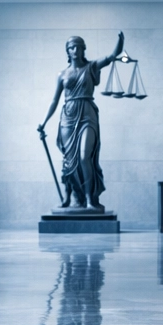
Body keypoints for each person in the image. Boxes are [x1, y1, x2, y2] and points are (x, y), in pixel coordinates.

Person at [37, 32, 124, 211]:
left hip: (87, 114)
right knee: (69, 159)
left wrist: (120, 41)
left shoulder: (91, 67)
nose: (75, 50)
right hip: (68, 117)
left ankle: (89, 199)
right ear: (67, 51)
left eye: (78, 47)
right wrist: (44, 122)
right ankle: (68, 197)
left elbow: (112, 57)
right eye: (72, 47)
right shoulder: (62, 74)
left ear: (83, 49)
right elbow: (54, 100)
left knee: (85, 157)